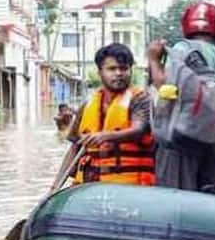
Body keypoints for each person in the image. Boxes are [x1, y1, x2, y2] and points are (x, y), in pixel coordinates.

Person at [148, 0, 215, 193]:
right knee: (207, 208)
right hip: (212, 144)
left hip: (177, 144)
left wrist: (153, 59)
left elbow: (165, 88)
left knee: (174, 204)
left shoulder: (182, 50)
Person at [64, 43, 155, 186]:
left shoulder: (140, 99)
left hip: (131, 185)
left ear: (130, 71)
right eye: (112, 69)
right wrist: (54, 188)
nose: (118, 73)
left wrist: (104, 136)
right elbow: (74, 148)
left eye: (124, 69)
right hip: (91, 185)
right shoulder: (87, 105)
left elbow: (138, 130)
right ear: (100, 72)